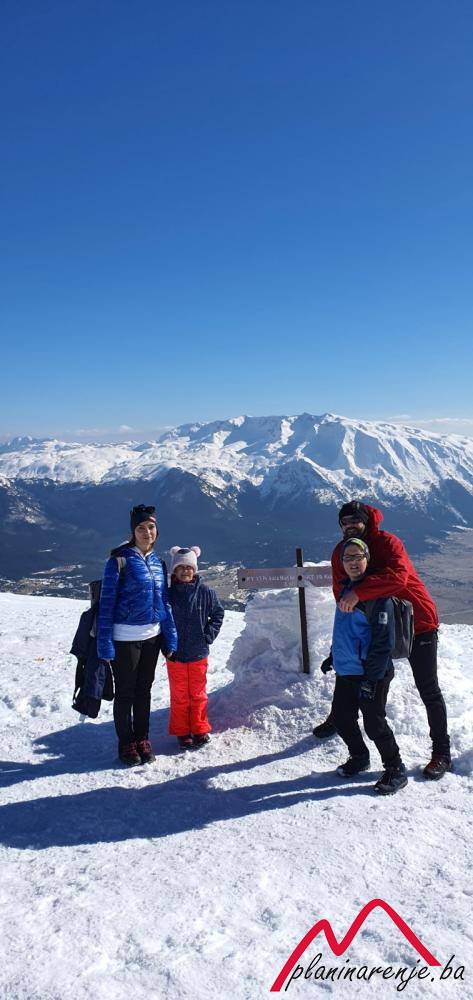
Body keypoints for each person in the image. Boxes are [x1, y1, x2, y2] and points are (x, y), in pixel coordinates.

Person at [313, 500, 451, 780]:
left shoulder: (387, 543)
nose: (349, 526)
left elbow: (399, 578)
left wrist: (360, 593)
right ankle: (340, 716)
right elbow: (341, 592)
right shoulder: (341, 552)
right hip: (375, 624)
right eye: (344, 522)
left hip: (417, 622)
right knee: (355, 668)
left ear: (366, 521)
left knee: (428, 688)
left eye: (355, 520)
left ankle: (442, 752)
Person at [97, 504, 177, 766]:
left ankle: (142, 738)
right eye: (141, 528)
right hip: (124, 638)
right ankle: (126, 742)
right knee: (126, 693)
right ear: (133, 531)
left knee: (144, 691)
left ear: (157, 531)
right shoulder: (119, 561)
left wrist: (170, 636)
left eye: (151, 527)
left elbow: (164, 602)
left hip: (152, 636)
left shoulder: (157, 563)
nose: (147, 532)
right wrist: (105, 643)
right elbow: (107, 603)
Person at [329, 537, 407, 795]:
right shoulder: (345, 589)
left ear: (367, 559)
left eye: (357, 556)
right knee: (341, 718)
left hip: (372, 673)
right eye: (347, 557)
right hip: (347, 669)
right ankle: (360, 756)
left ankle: (396, 768)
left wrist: (371, 680)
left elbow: (383, 643)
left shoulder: (377, 597)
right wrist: (332, 656)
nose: (352, 562)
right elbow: (344, 630)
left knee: (374, 723)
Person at [166, 545, 224, 750]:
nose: (185, 571)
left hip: (199, 653)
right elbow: (162, 621)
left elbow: (218, 614)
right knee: (180, 695)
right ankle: (182, 731)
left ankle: (199, 728)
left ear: (195, 570)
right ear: (174, 571)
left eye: (189, 567)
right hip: (175, 654)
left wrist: (208, 636)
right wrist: (166, 644)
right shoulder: (168, 594)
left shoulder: (206, 592)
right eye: (180, 567)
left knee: (198, 694)